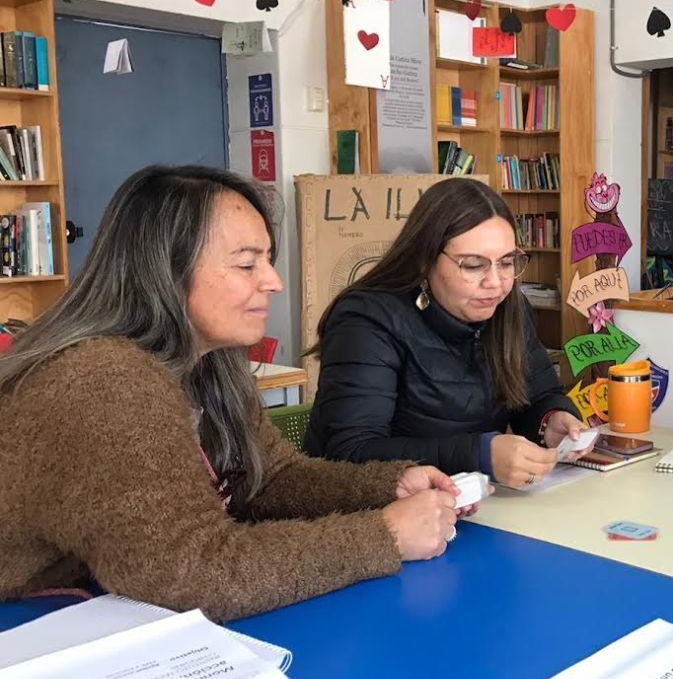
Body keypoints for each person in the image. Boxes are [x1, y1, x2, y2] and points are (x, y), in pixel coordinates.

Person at [0, 166, 468, 622]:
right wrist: (382, 535)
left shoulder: (210, 359)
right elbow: (189, 573)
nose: (273, 281)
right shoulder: (102, 380)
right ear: (165, 270)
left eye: (266, 260)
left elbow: (268, 480)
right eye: (247, 263)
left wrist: (384, 487)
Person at [304, 178, 590, 488]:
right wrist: (479, 454)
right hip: (362, 516)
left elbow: (537, 394)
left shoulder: (509, 309)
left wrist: (550, 421)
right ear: (425, 259)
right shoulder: (366, 320)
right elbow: (350, 453)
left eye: (507, 263)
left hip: (466, 506)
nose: (495, 282)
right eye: (472, 265)